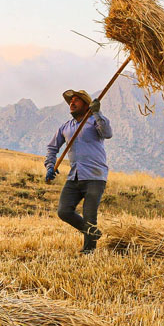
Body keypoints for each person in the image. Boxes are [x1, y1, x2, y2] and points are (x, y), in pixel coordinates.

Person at [44, 89, 113, 254]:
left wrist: (98, 112)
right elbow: (52, 148)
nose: (72, 103)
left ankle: (88, 250)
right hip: (74, 175)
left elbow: (107, 133)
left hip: (95, 176)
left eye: (76, 100)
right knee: (64, 211)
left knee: (90, 215)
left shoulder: (95, 121)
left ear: (86, 104)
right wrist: (50, 165)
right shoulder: (65, 127)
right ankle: (93, 233)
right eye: (70, 101)